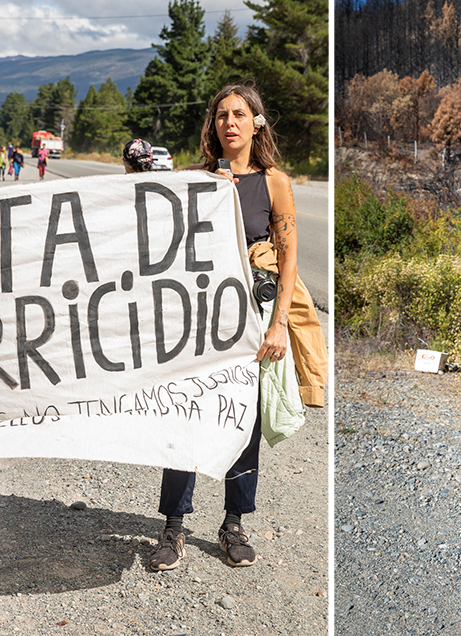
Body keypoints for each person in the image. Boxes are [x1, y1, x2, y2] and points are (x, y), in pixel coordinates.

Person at [147, 83, 327, 572]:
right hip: (199, 316)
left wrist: (277, 326)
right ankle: (173, 527)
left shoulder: (275, 183)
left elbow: (288, 261)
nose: (230, 123)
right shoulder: (197, 179)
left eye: (240, 115)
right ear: (214, 124)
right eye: (222, 115)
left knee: (242, 419)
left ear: (256, 123)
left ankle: (233, 524)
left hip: (252, 317)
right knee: (186, 415)